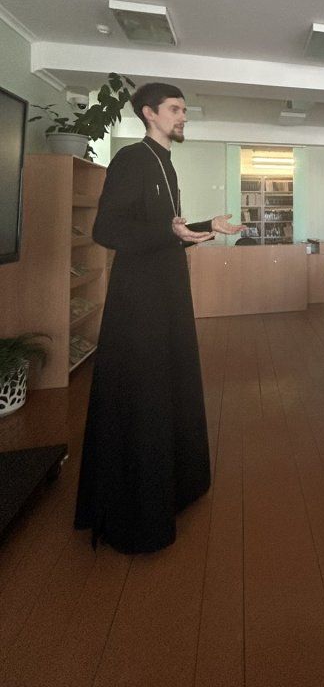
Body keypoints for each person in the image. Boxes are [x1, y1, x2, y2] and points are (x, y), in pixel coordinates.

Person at [74, 83, 245, 554]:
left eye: (184, 109)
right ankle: (138, 513)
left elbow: (169, 231)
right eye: (175, 109)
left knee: (171, 385)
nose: (183, 116)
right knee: (146, 392)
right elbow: (107, 228)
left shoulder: (165, 162)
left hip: (167, 294)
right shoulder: (132, 158)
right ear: (149, 113)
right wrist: (170, 231)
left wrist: (208, 226)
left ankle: (176, 489)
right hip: (140, 302)